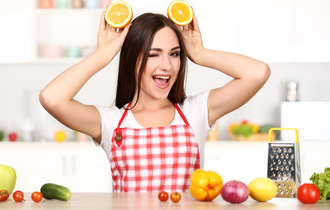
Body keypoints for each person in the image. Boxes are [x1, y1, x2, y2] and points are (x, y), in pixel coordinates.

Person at [39, 10, 270, 193]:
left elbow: (258, 73)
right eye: (153, 54)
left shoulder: (196, 112)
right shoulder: (111, 122)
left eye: (175, 53)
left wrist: (199, 53)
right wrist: (102, 55)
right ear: (132, 60)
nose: (167, 66)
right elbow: (52, 98)